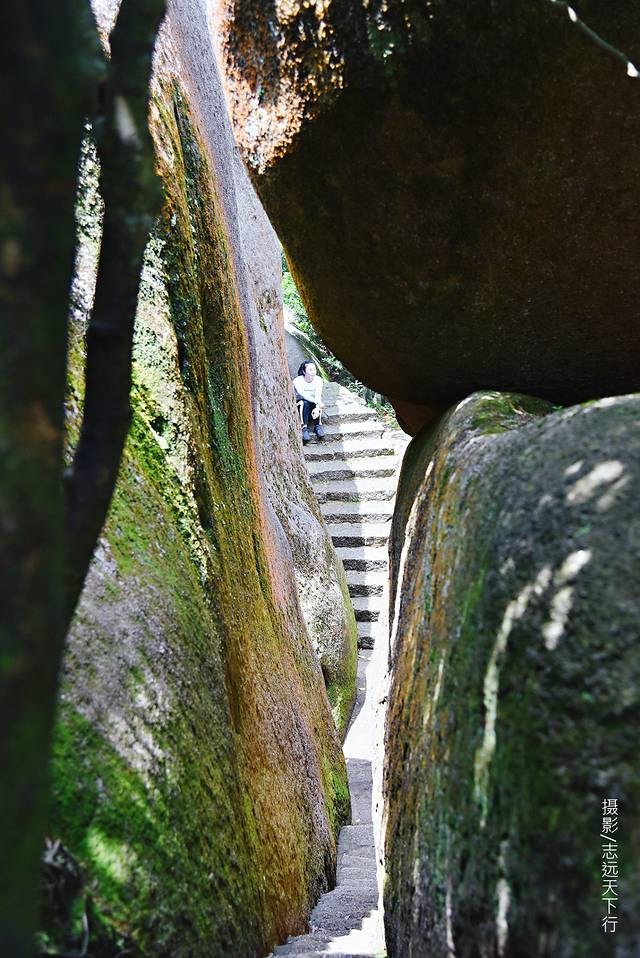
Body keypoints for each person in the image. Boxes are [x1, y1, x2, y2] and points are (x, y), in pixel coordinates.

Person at [293, 360, 325, 443]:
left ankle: (317, 426)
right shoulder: (297, 381)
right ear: (304, 371)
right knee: (305, 402)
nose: (313, 372)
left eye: (314, 369)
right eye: (310, 370)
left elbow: (318, 395)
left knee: (316, 403)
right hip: (301, 404)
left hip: (314, 403)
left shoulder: (318, 380)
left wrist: (317, 407)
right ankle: (304, 427)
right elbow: (302, 394)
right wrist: (318, 402)